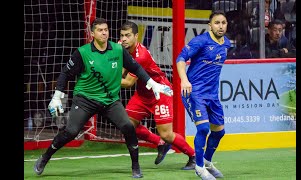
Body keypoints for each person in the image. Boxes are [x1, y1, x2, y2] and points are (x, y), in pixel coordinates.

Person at [33, 18, 173, 178]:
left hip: (110, 101)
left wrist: (152, 83)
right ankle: (45, 158)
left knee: (128, 127)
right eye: (100, 30)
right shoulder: (82, 52)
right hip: (85, 100)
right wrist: (57, 95)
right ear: (92, 34)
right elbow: (65, 73)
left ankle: (136, 166)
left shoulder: (118, 50)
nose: (104, 32)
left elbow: (136, 67)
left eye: (106, 29)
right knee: (71, 132)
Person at [119, 21, 196, 170]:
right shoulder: (121, 46)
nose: (124, 39)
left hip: (160, 93)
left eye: (128, 36)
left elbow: (128, 83)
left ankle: (193, 156)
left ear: (136, 36)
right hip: (142, 94)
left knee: (166, 134)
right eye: (122, 36)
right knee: (127, 126)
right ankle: (159, 143)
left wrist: (107, 78)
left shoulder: (140, 56)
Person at [176, 10, 231, 180]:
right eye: (217, 23)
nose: (220, 26)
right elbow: (180, 58)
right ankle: (199, 168)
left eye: (223, 23)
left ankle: (207, 161)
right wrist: (184, 80)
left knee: (219, 132)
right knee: (203, 128)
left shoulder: (227, 43)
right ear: (210, 25)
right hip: (194, 92)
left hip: (212, 95)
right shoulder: (200, 41)